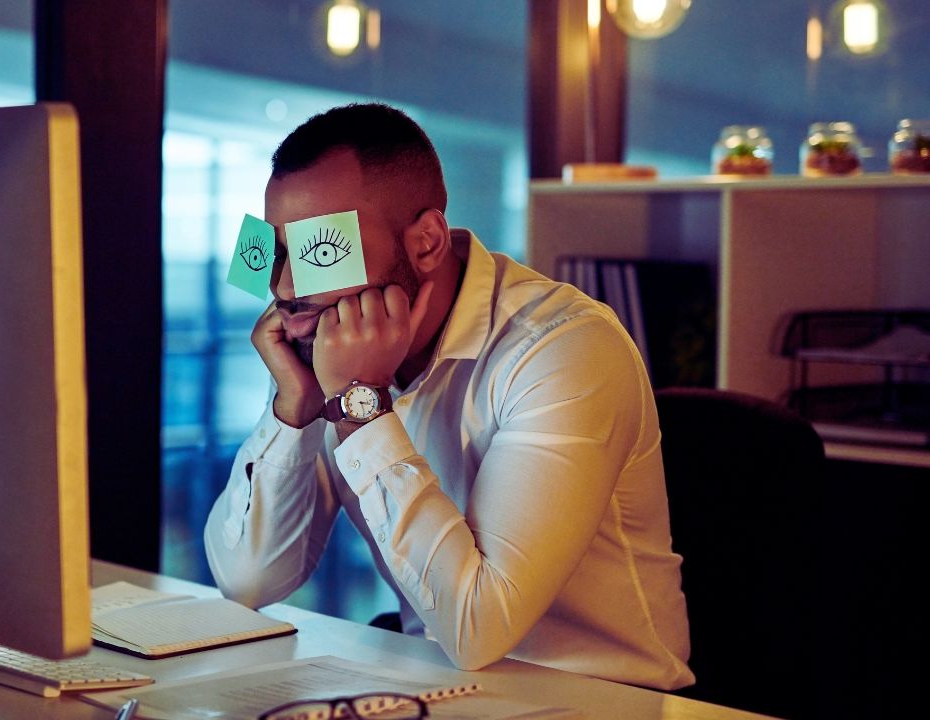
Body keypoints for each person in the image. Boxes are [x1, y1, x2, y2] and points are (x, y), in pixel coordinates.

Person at [203, 103, 694, 690]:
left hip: (608, 701)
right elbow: (249, 581)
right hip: (434, 689)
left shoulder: (566, 348)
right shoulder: (324, 344)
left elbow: (478, 628)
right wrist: (294, 408)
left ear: (427, 243)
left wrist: (361, 405)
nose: (285, 289)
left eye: (320, 252)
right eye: (276, 250)